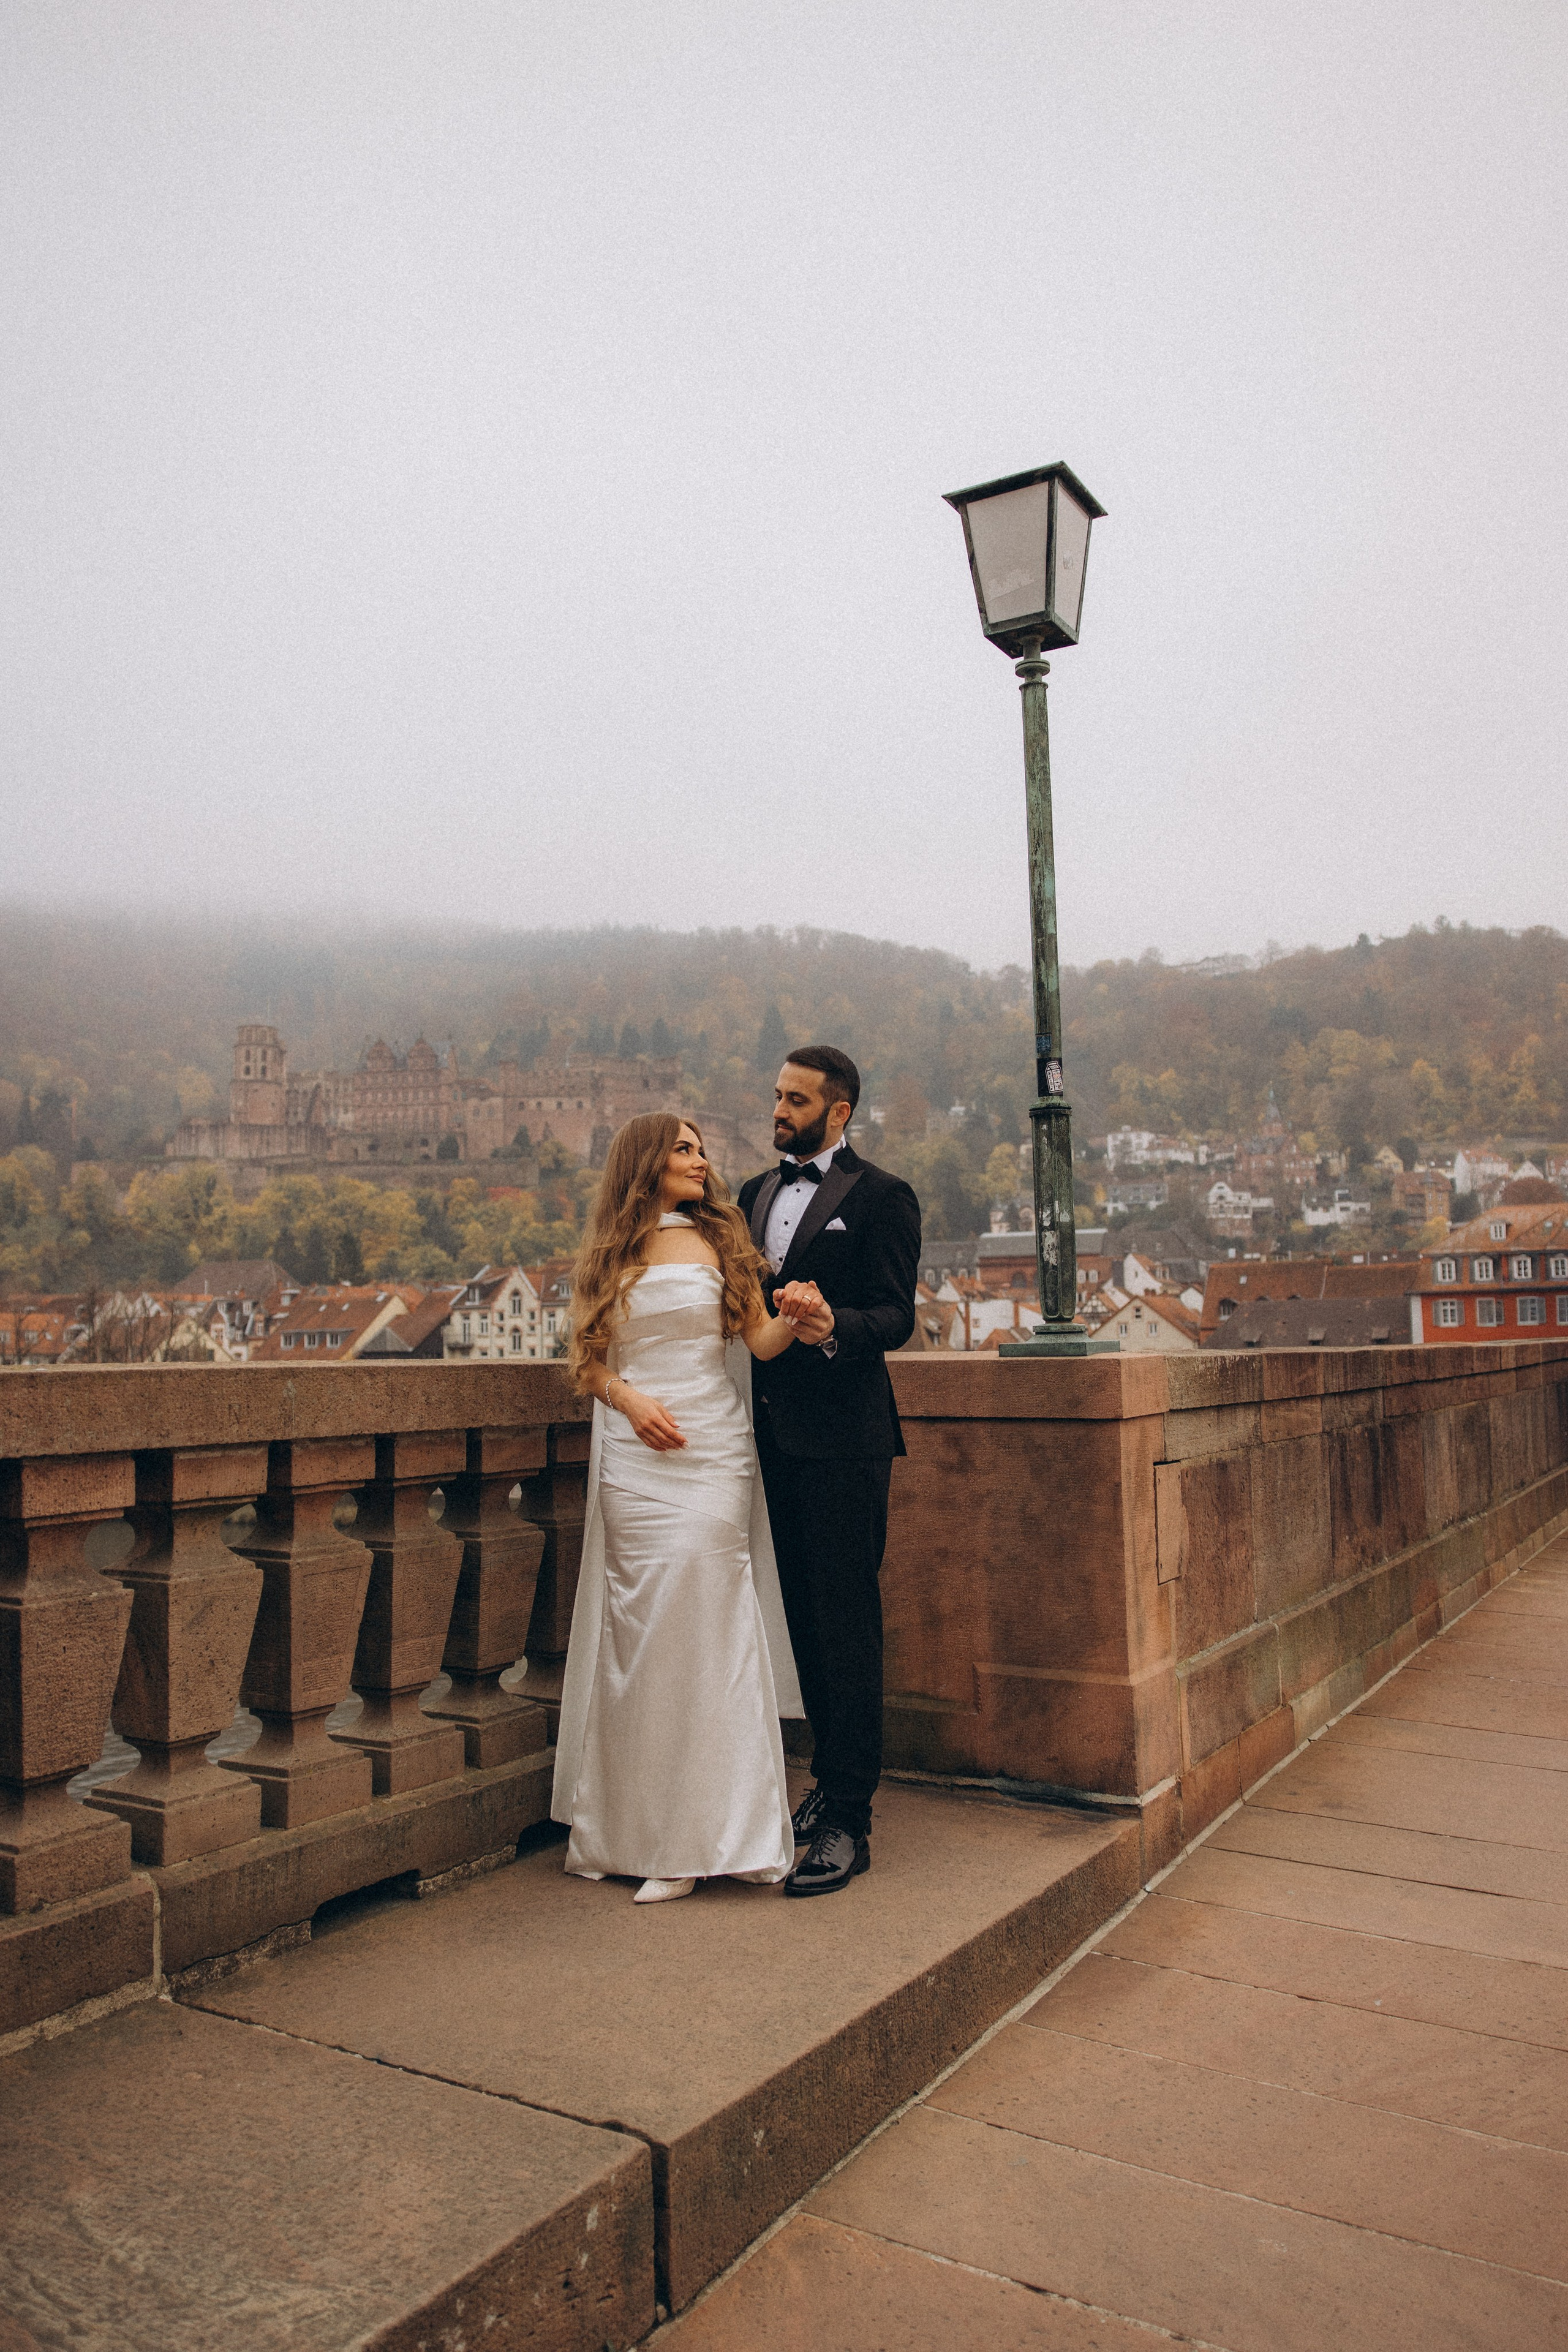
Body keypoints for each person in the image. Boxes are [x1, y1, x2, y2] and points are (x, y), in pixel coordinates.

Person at [552, 1113, 811, 1902]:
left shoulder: (720, 1242)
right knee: (643, 1638)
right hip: (638, 1461)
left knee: (712, 1632)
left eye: (702, 1151)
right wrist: (629, 1401)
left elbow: (758, 1343)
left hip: (712, 1459)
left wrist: (796, 1316)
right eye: (685, 1149)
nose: (702, 1162)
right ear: (645, 1163)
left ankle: (716, 1833)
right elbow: (589, 1368)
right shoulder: (609, 1254)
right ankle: (643, 1832)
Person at [738, 1047, 921, 1898]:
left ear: (838, 1111)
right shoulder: (753, 1196)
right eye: (777, 1094)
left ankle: (852, 1817)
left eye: (797, 1098)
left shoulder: (883, 1197)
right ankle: (826, 1784)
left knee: (848, 1623)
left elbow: (896, 1315)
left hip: (847, 1440)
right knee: (807, 1622)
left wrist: (829, 1323)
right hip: (772, 1439)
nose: (780, 1108)